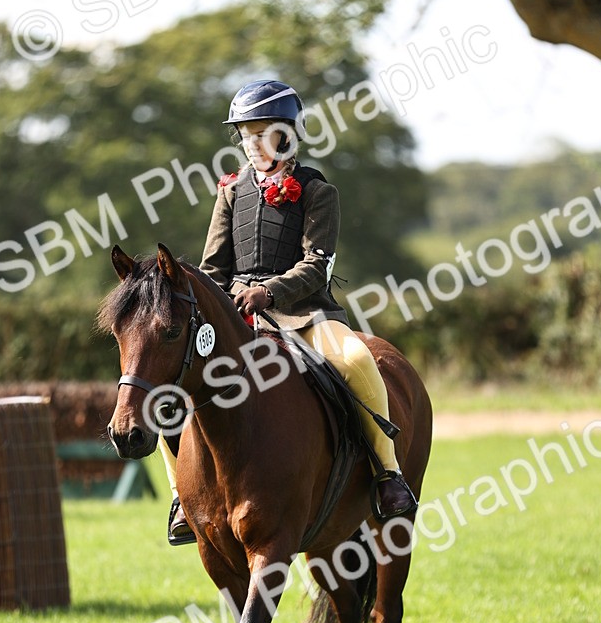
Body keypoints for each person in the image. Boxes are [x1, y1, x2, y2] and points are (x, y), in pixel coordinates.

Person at [161, 78, 417, 545]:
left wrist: (271, 293)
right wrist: (211, 302)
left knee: (359, 361)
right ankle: (183, 496)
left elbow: (317, 265)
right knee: (171, 385)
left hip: (305, 314)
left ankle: (387, 471)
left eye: (263, 132)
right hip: (235, 315)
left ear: (289, 133)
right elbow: (213, 266)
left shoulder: (318, 191)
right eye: (245, 134)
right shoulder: (230, 191)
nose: (253, 143)